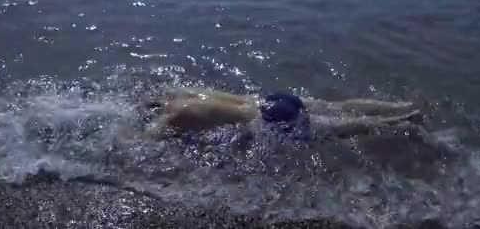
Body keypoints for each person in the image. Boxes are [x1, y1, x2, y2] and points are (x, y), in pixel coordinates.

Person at [140, 87, 422, 141]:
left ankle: (400, 121)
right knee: (337, 105)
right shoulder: (181, 91)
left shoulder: (172, 117)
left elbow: (143, 140)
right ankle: (398, 107)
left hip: (269, 118)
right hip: (272, 98)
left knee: (337, 129)